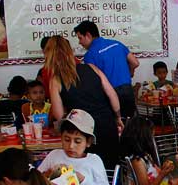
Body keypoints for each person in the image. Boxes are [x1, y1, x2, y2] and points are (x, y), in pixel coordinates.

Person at [45, 35, 123, 169]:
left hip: (82, 133)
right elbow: (113, 96)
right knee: (111, 169)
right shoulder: (92, 68)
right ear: (70, 51)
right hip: (106, 125)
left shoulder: (56, 80)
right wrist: (118, 117)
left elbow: (59, 115)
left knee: (87, 172)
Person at [37, 109, 113, 185]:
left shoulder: (94, 161)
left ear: (88, 142)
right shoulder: (54, 155)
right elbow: (34, 182)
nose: (71, 146)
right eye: (67, 139)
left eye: (77, 141)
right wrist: (47, 175)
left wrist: (82, 180)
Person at [74, 20, 138, 118]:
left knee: (117, 126)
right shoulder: (116, 44)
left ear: (88, 35)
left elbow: (93, 80)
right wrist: (130, 72)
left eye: (80, 38)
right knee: (130, 126)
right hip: (128, 91)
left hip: (110, 96)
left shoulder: (90, 55)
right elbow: (135, 62)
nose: (79, 42)